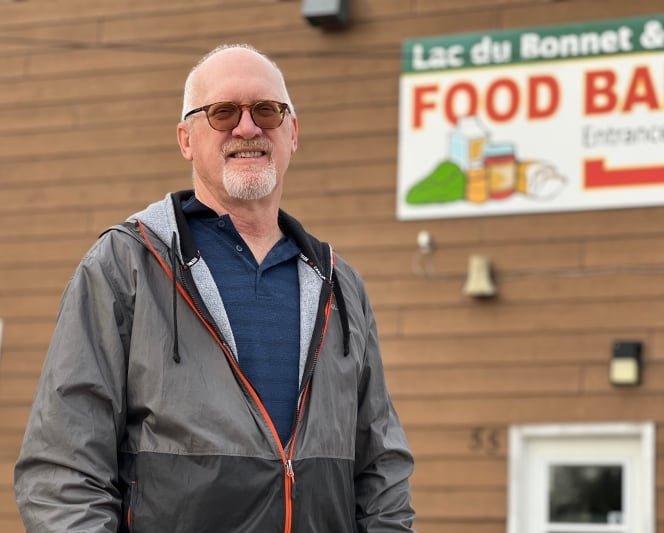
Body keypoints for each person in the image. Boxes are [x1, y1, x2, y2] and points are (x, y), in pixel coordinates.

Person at [14, 43, 415, 533]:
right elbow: (62, 472)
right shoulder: (125, 266)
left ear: (292, 132)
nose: (248, 127)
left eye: (266, 110)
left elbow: (382, 473)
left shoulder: (339, 286)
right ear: (186, 138)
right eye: (223, 113)